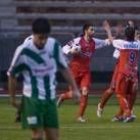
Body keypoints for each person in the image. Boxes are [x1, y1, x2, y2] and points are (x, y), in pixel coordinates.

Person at [7, 18, 80, 140]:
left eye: (45, 38)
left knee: (53, 137)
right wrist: (13, 99)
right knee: (38, 135)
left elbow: (64, 69)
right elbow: (12, 75)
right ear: (33, 34)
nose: (43, 41)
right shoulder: (24, 51)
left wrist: (75, 89)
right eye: (40, 38)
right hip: (32, 99)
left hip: (50, 99)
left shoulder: (54, 46)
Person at [57, 22, 112, 122]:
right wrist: (71, 51)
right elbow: (64, 48)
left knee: (85, 92)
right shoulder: (77, 41)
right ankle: (62, 96)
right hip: (74, 70)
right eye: (91, 29)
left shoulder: (95, 42)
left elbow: (108, 42)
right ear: (86, 31)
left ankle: (80, 116)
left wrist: (108, 31)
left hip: (86, 71)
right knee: (74, 94)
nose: (93, 31)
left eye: (93, 29)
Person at [110, 25, 140, 122]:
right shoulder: (138, 44)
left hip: (123, 73)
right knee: (129, 95)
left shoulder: (121, 43)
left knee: (119, 94)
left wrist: (107, 30)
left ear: (125, 34)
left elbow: (111, 40)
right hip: (134, 74)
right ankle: (124, 114)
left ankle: (127, 113)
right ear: (134, 34)